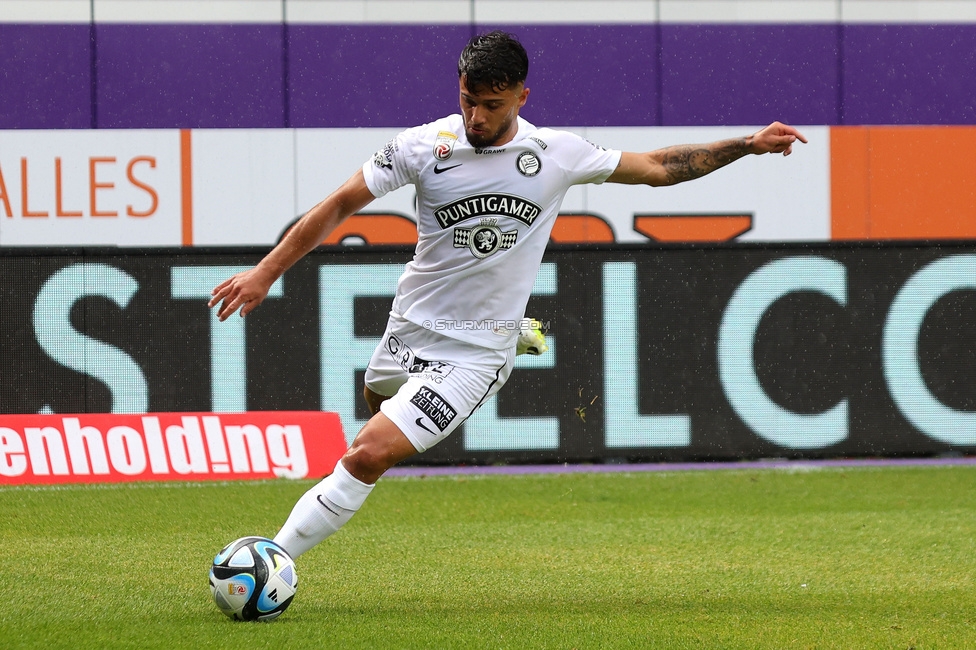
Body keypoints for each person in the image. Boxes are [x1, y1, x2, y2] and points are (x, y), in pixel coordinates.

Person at [208, 31, 807, 560]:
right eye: (468, 100)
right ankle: (434, 397)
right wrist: (266, 271)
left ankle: (271, 558)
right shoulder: (423, 146)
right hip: (409, 327)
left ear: (522, 96)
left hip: (476, 353)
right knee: (374, 409)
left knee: (367, 453)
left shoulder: (554, 155)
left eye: (491, 106)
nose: (475, 117)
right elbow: (339, 204)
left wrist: (747, 145)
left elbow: (657, 165)